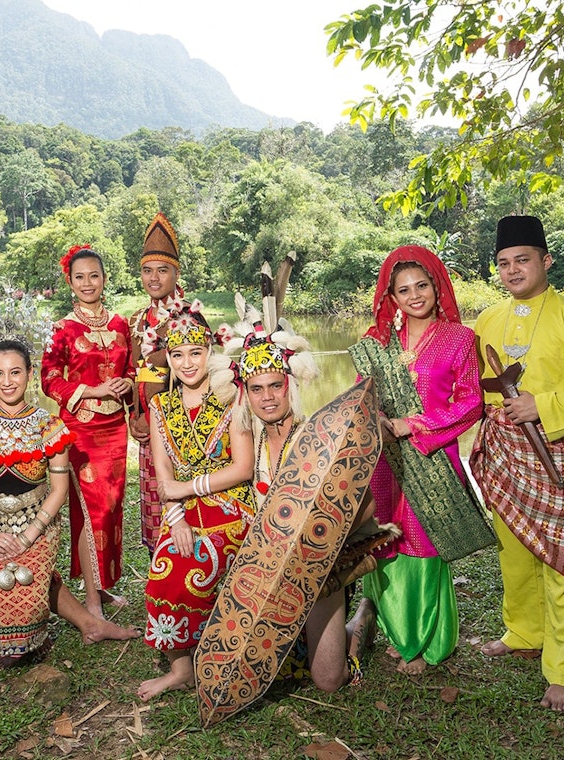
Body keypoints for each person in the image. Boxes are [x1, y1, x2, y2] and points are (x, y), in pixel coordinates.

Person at [470, 215, 564, 711]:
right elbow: (469, 385)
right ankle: (524, 631)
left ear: (545, 261)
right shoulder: (488, 321)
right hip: (504, 449)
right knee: (513, 549)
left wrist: (546, 406)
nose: (513, 270)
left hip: (558, 451)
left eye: (522, 260)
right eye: (503, 263)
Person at [228, 257, 385, 692]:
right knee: (264, 669)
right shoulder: (247, 441)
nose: (267, 398)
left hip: (318, 569)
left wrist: (327, 540)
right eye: (256, 389)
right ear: (246, 393)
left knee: (328, 680)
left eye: (275, 386)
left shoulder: (318, 436)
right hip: (267, 569)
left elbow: (366, 504)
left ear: (290, 385)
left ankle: (361, 619)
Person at [0, 339, 139, 667]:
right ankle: (61, 628)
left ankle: (49, 630)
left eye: (15, 372)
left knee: (24, 595)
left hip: (39, 524)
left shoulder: (51, 428)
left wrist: (26, 537)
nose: (7, 381)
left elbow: (58, 491)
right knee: (3, 608)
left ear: (29, 374)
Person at [348, 245, 485, 676]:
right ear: (390, 297)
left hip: (432, 458)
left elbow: (471, 402)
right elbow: (359, 397)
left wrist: (416, 424)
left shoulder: (460, 339)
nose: (414, 296)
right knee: (388, 542)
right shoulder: (377, 344)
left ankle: (427, 642)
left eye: (421, 285)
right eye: (402, 289)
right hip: (385, 461)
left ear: (437, 286)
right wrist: (380, 418)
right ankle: (397, 631)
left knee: (424, 547)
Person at [138, 303, 255, 701]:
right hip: (184, 513)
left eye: (195, 352)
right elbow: (161, 473)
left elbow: (242, 468)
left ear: (210, 352)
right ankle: (181, 667)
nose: (187, 363)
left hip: (233, 506)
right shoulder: (160, 407)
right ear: (167, 358)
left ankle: (221, 648)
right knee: (165, 564)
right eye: (177, 354)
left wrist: (188, 490)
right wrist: (176, 519)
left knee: (195, 564)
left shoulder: (232, 396)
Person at [42, 245, 134, 618]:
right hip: (80, 431)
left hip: (116, 428)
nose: (87, 282)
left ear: (104, 279)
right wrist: (92, 390)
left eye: (93, 275)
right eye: (79, 277)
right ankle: (92, 602)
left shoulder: (120, 324)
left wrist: (127, 383)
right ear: (70, 282)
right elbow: (48, 379)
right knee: (90, 510)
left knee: (111, 509)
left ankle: (102, 587)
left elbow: (131, 369)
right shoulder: (62, 329)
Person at [127, 213, 186, 552]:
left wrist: (150, 371)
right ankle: (158, 560)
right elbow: (134, 372)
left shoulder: (187, 317)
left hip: (180, 425)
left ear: (176, 274)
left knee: (181, 495)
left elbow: (178, 370)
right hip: (146, 426)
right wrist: (133, 415)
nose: (154, 278)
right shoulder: (137, 319)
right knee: (153, 498)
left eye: (162, 270)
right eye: (147, 271)